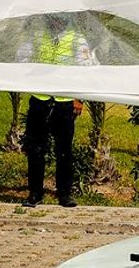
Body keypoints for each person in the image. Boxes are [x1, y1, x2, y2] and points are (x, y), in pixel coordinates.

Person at [21, 16, 95, 208]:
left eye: (59, 19)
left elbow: (85, 69)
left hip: (65, 102)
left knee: (64, 151)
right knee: (36, 149)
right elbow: (22, 59)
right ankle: (35, 193)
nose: (55, 22)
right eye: (51, 18)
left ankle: (65, 194)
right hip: (40, 100)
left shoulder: (76, 39)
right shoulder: (37, 36)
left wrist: (79, 98)